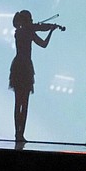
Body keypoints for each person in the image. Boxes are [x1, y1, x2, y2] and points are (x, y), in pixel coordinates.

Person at [9, 10, 62, 143]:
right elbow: (44, 44)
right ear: (27, 20)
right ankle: (21, 135)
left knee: (18, 103)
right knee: (25, 103)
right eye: (30, 20)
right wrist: (51, 30)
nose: (33, 22)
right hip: (25, 68)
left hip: (18, 67)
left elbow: (36, 29)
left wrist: (46, 28)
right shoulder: (28, 31)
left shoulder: (19, 32)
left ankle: (17, 134)